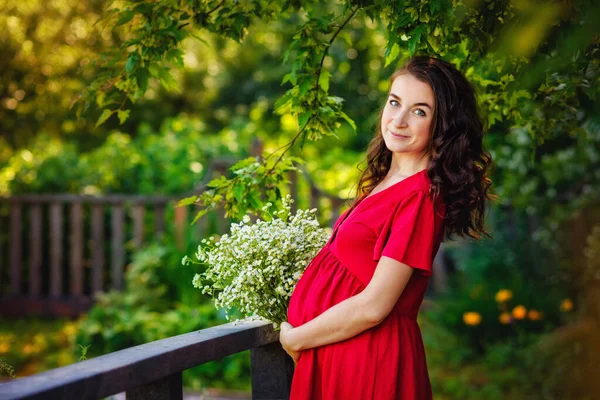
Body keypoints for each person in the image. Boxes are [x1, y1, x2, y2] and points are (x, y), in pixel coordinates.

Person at [278, 55, 493, 400]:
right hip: (339, 350)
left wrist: (295, 338)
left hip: (367, 360)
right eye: (395, 102)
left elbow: (375, 305)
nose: (399, 119)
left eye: (419, 111)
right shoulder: (388, 180)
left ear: (442, 126)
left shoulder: (420, 197)